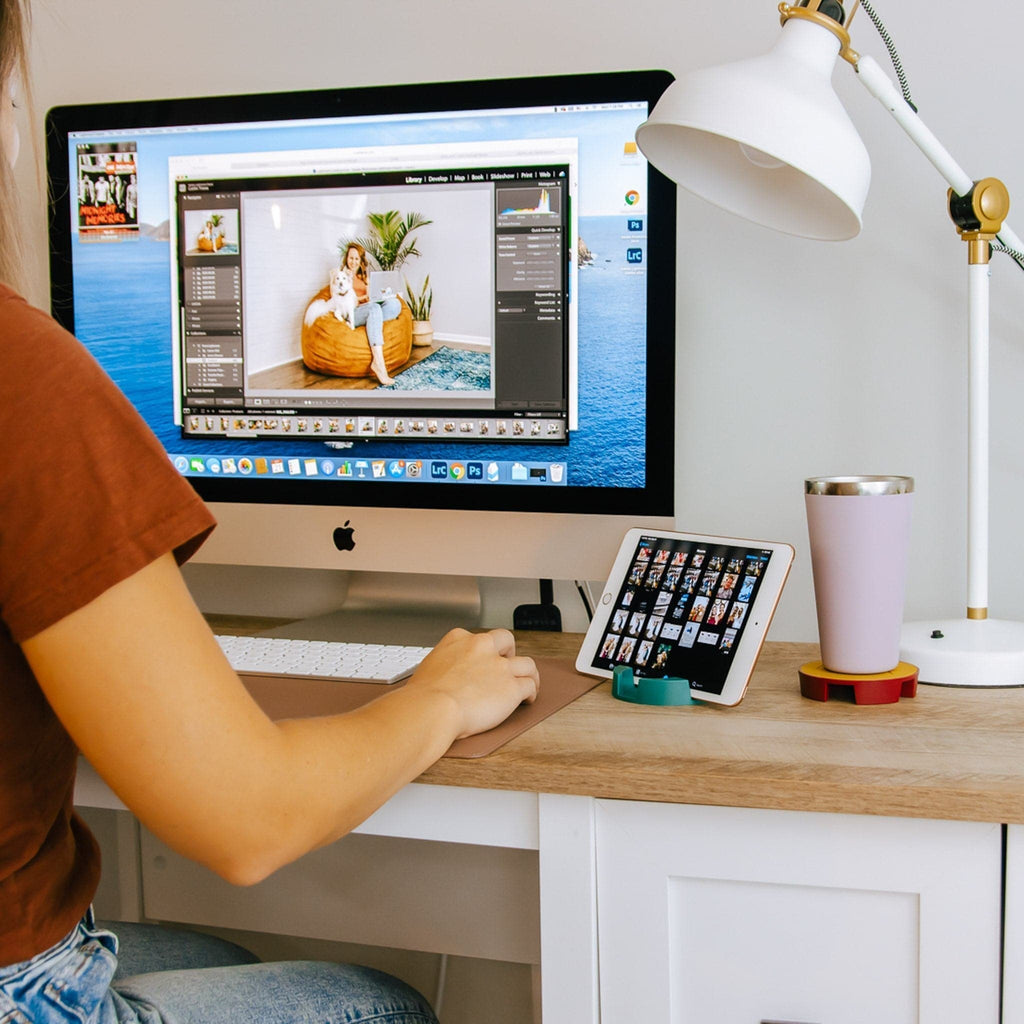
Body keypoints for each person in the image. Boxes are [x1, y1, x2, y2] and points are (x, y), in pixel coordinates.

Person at [0, 4, 539, 1022]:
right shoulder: (16, 377)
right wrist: (437, 697)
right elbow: (248, 819)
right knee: (370, 1002)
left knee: (205, 946)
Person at [343, 242, 403, 385]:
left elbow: (372, 297)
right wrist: (363, 299)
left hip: (368, 308)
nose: (353, 262)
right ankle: (379, 363)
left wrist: (377, 295)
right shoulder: (342, 276)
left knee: (395, 303)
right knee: (374, 309)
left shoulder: (365, 277)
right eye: (351, 258)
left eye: (356, 259)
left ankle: (373, 322)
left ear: (361, 260)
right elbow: (344, 300)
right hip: (353, 312)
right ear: (346, 259)